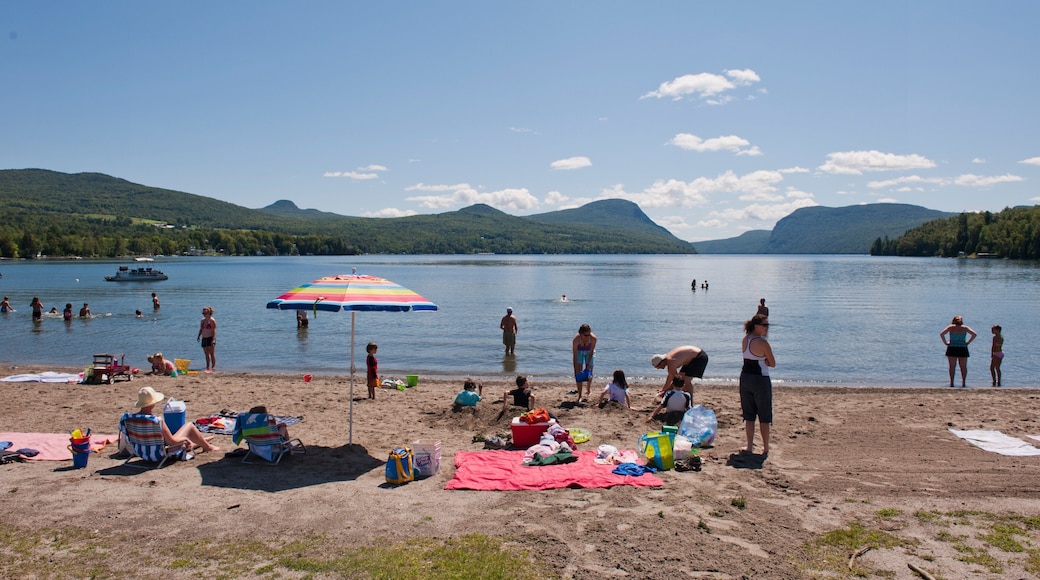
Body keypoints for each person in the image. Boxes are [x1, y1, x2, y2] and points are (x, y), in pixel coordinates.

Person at [131, 386, 219, 452]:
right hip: (160, 453)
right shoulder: (156, 421)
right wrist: (185, 438)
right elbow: (172, 442)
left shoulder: (128, 418)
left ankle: (203, 441)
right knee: (189, 426)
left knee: (184, 440)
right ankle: (207, 447)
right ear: (153, 403)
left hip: (142, 452)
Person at [741, 313, 775, 456]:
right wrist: (766, 360)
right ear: (757, 326)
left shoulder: (745, 339)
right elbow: (772, 363)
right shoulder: (762, 343)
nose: (767, 328)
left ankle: (749, 446)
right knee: (764, 414)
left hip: (745, 377)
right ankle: (765, 447)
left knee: (749, 414)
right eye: (765, 325)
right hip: (760, 379)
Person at [940, 315, 977, 388]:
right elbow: (974, 334)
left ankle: (952, 382)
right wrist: (968, 342)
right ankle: (963, 382)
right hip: (962, 347)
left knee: (952, 366)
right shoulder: (965, 328)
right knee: (963, 367)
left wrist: (945, 342)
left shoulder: (950, 327)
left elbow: (942, 334)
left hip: (952, 347)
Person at [572, 323, 597, 402]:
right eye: (585, 335)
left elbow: (591, 352)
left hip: (589, 352)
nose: (588, 337)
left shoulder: (593, 338)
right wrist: (576, 367)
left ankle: (588, 390)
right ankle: (580, 395)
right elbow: (575, 355)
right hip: (579, 353)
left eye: (589, 334)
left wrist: (587, 366)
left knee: (589, 373)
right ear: (580, 334)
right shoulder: (576, 340)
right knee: (578, 374)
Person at [197, 306, 217, 371]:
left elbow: (214, 330)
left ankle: (213, 366)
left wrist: (213, 339)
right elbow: (201, 329)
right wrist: (199, 336)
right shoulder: (202, 320)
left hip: (210, 338)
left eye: (205, 313)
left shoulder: (212, 320)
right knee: (206, 353)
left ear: (209, 313)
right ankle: (207, 366)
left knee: (212, 353)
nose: (204, 314)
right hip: (204, 338)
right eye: (203, 313)